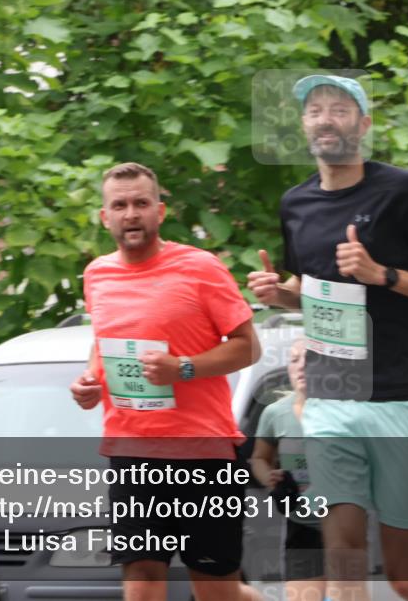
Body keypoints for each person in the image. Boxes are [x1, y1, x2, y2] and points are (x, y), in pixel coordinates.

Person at [247, 75, 408, 601]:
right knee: (343, 552)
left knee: (404, 575)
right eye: (315, 110)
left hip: (402, 399)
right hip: (331, 399)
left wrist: (383, 274)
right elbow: (313, 291)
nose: (326, 119)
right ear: (304, 126)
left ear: (363, 125)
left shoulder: (403, 191)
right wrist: (282, 294)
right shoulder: (296, 204)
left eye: (340, 110)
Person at [70, 162, 263, 601]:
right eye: (120, 205)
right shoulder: (97, 274)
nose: (131, 214)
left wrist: (184, 368)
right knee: (142, 582)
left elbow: (248, 347)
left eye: (141, 203)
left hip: (202, 454)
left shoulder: (200, 267)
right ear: (105, 217)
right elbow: (104, 341)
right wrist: (89, 380)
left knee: (216, 592)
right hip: (132, 451)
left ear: (159, 211)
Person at [249, 338, 326, 601]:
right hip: (300, 523)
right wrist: (270, 478)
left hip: (344, 520)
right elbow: (259, 458)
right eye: (294, 360)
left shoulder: (345, 410)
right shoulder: (275, 413)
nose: (301, 366)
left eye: (309, 359)